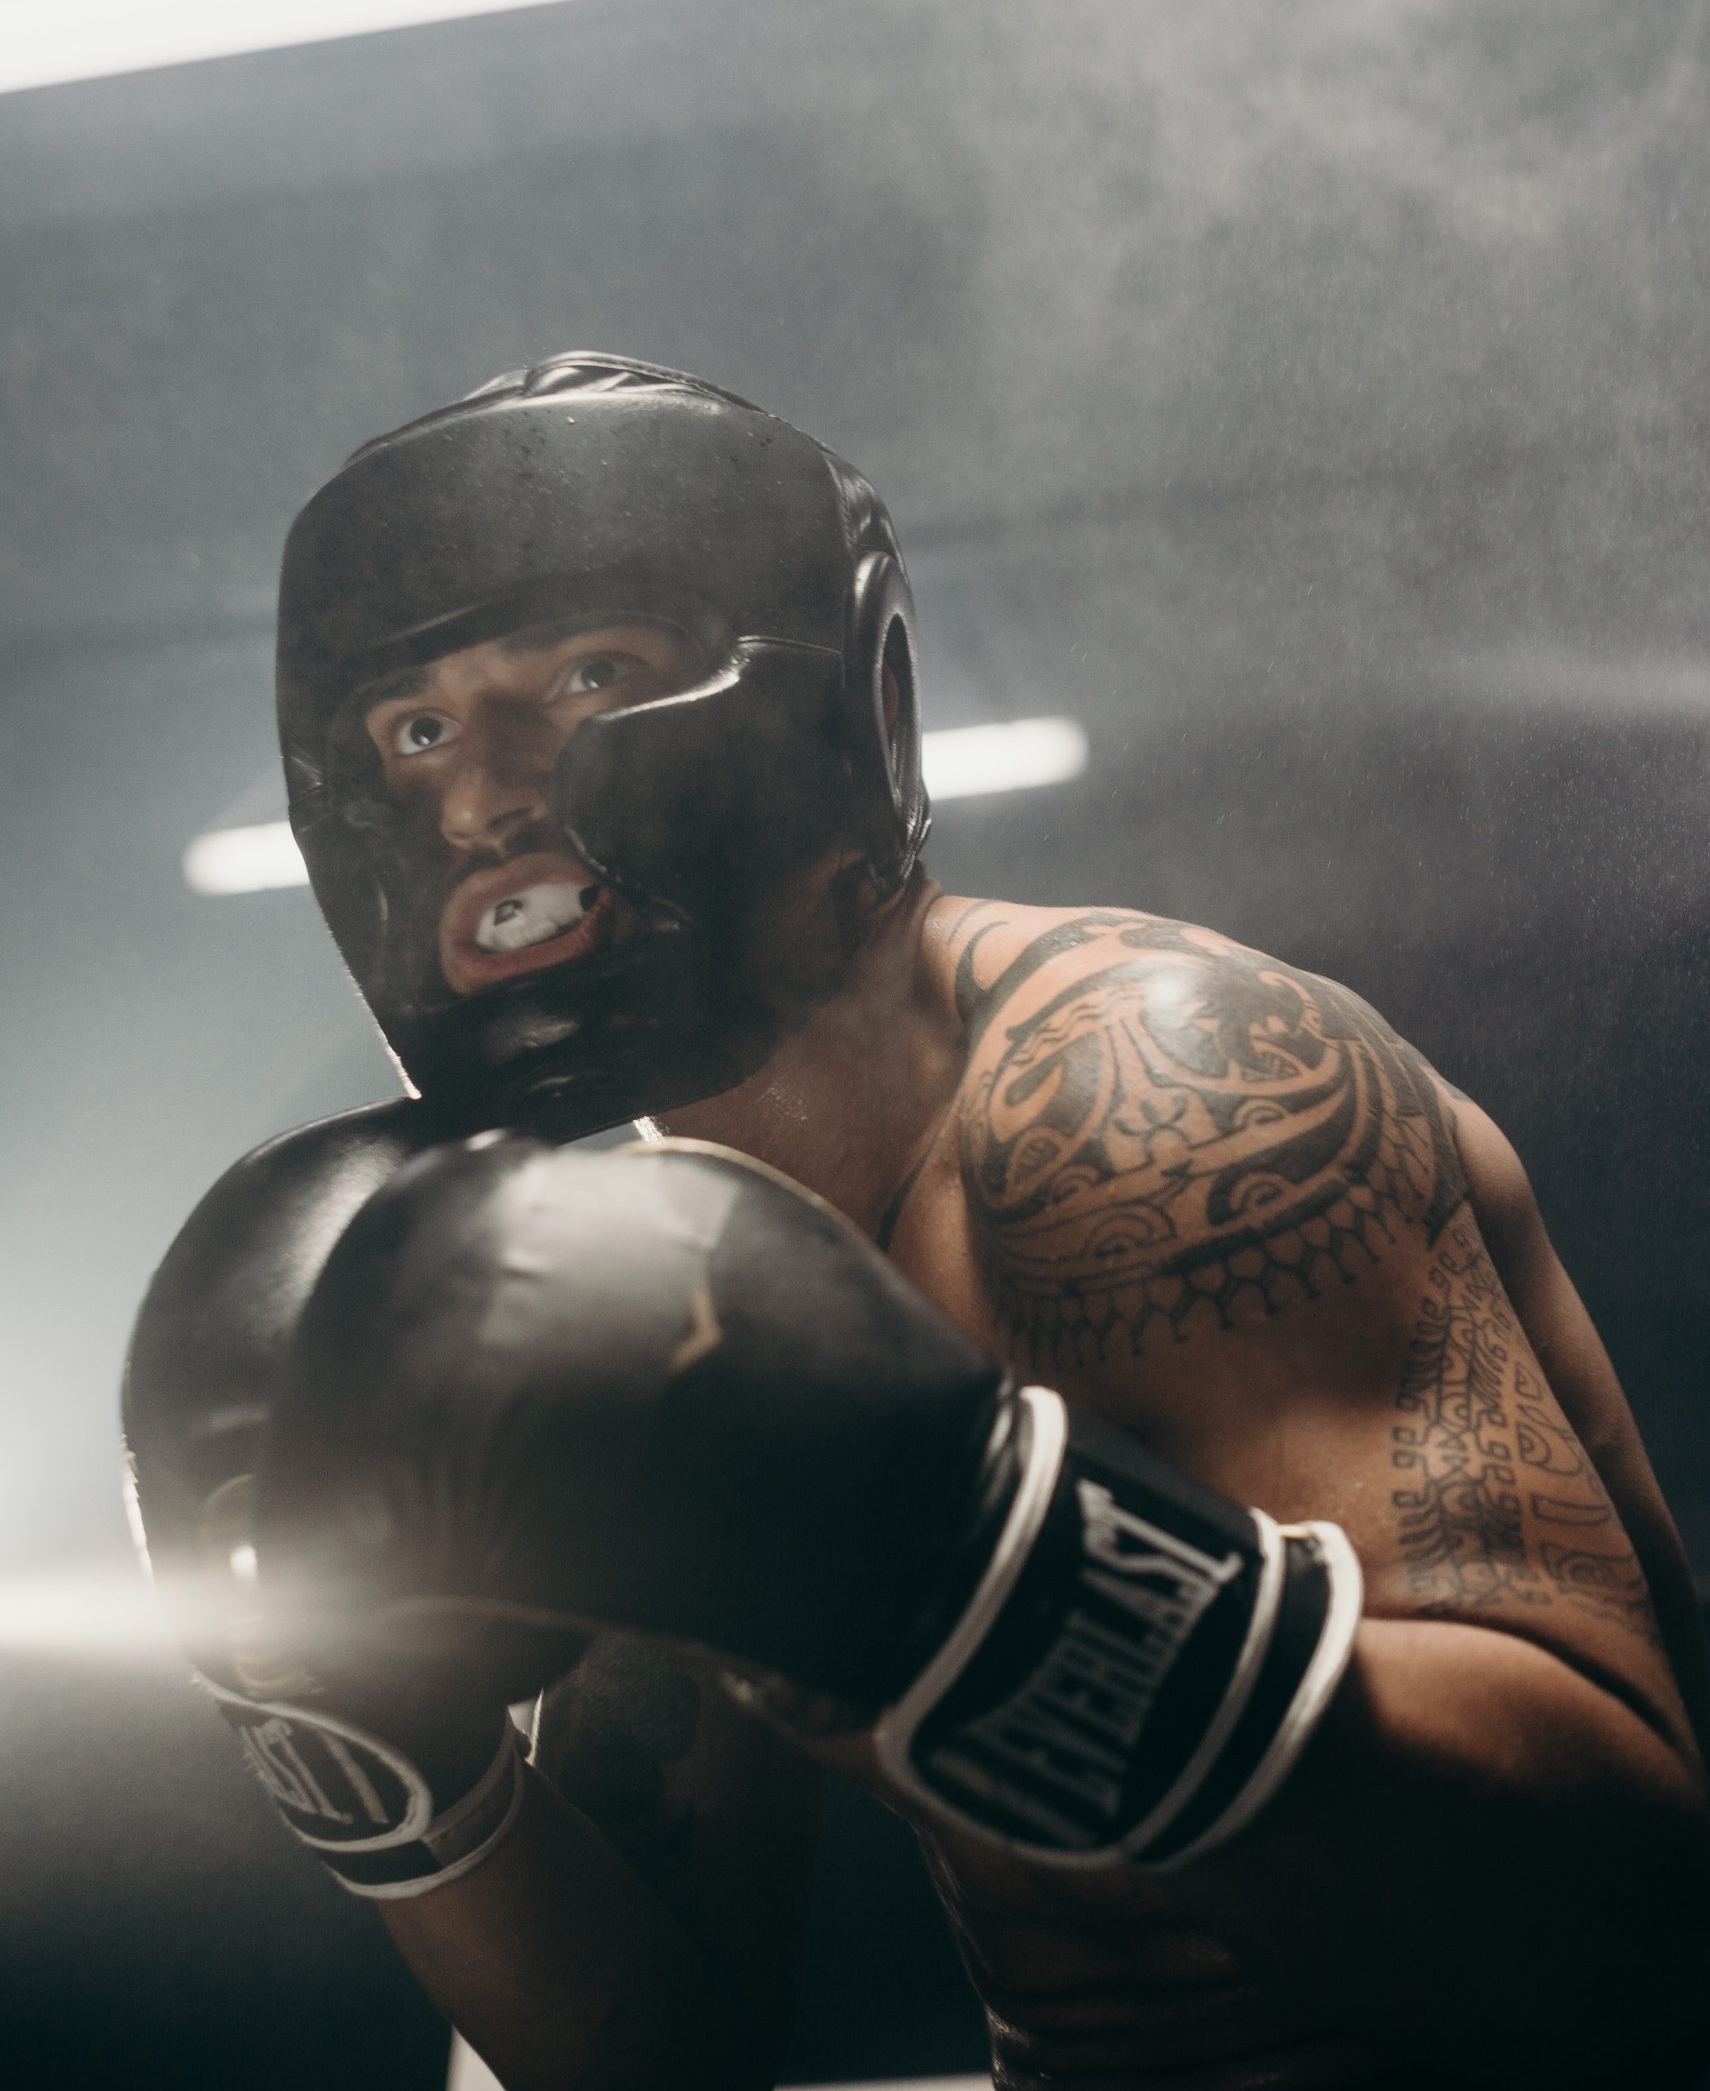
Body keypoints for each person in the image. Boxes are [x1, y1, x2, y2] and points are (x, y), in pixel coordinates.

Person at [125, 353, 1710, 2091]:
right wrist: (381, 1755)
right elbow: (659, 2055)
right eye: (417, 727)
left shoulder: (1156, 1101)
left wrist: (954, 1573)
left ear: (859, 708)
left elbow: (1627, 1939)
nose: (484, 797)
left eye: (588, 674)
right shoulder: (637, 1262)